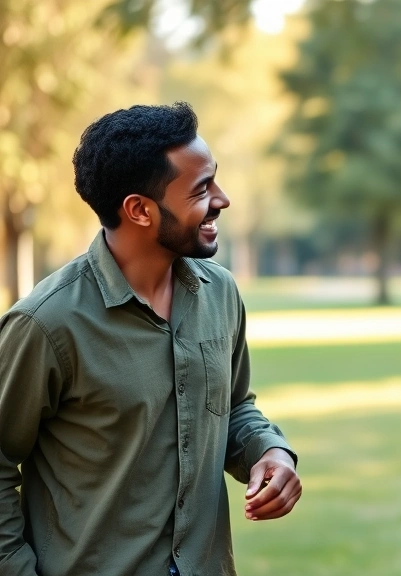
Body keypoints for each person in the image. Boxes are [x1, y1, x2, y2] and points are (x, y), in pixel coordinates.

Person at [0, 102, 302, 576]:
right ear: (139, 209)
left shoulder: (220, 292)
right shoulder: (46, 324)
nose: (221, 199)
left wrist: (270, 451)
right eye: (202, 189)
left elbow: (234, 405)